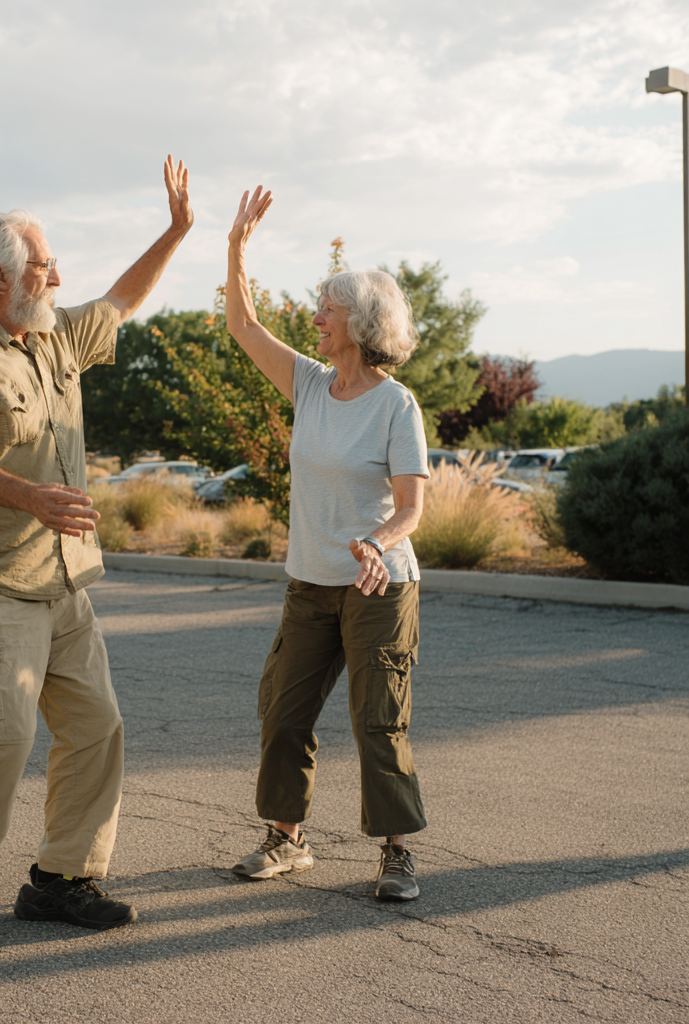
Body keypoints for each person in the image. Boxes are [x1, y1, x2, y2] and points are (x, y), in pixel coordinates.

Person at [0, 156, 194, 951]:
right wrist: (33, 498)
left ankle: (60, 879)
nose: (58, 275)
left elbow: (124, 299)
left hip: (63, 584)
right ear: (0, 278)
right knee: (3, 739)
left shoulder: (54, 340)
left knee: (97, 729)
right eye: (45, 265)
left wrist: (176, 230)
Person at [226, 187, 430, 901]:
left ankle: (398, 854)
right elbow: (243, 326)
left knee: (379, 723)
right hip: (310, 583)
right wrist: (237, 248)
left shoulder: (395, 403)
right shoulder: (310, 385)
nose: (316, 318)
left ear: (362, 322)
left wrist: (376, 543)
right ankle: (287, 839)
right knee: (282, 713)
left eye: (328, 309)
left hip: (379, 586)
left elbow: (410, 507)